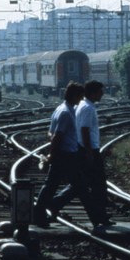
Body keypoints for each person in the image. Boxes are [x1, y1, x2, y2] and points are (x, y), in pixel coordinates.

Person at [33, 81, 100, 230]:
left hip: (65, 155)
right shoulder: (66, 113)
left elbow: (50, 132)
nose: (81, 99)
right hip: (66, 156)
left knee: (52, 186)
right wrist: (51, 156)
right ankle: (96, 219)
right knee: (80, 188)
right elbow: (57, 136)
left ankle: (39, 214)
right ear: (75, 95)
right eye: (80, 96)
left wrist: (53, 152)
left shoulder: (60, 109)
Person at [76, 79, 114, 228]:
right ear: (92, 93)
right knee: (98, 185)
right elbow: (84, 130)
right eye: (100, 91)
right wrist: (89, 152)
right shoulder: (88, 108)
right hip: (89, 149)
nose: (102, 94)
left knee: (87, 184)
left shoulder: (84, 105)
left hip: (87, 149)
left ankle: (101, 215)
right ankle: (101, 216)